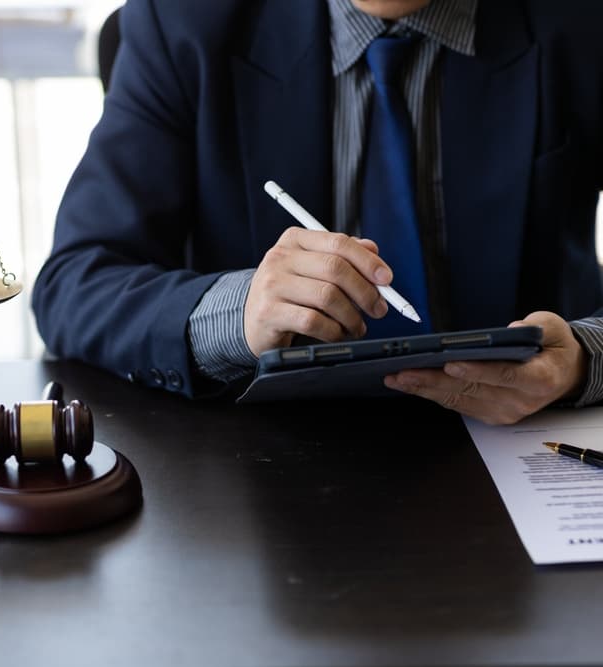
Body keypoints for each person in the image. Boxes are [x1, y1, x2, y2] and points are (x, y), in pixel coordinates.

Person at [31, 0, 603, 425]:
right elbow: (75, 283)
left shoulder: (582, 22)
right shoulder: (183, 20)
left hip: (522, 442)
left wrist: (581, 360)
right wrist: (239, 313)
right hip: (257, 459)